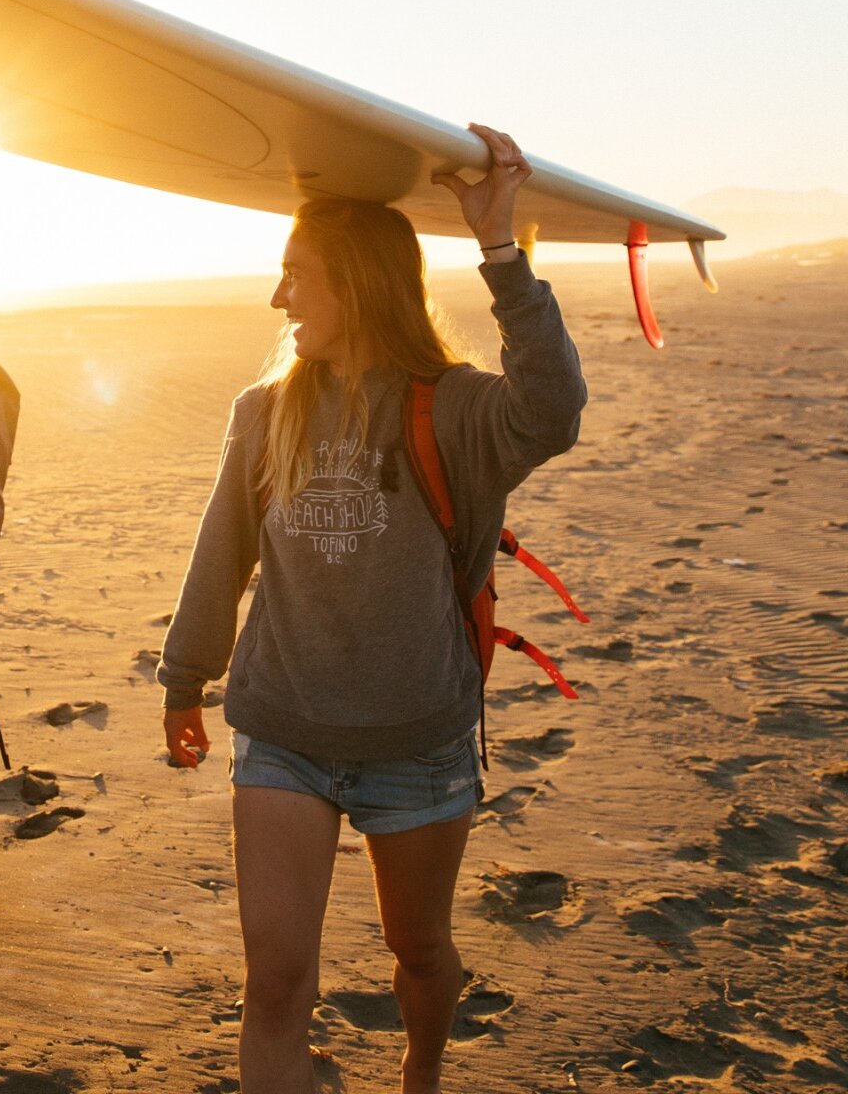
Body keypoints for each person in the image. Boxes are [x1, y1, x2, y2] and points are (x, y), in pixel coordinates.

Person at [156, 125, 587, 1094]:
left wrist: (500, 248)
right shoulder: (262, 411)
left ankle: (420, 1071)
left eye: (294, 273)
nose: (277, 296)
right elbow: (221, 550)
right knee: (274, 985)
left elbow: (553, 409)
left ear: (353, 280)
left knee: (421, 954)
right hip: (282, 730)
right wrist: (185, 674)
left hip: (417, 741)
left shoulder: (457, 407)